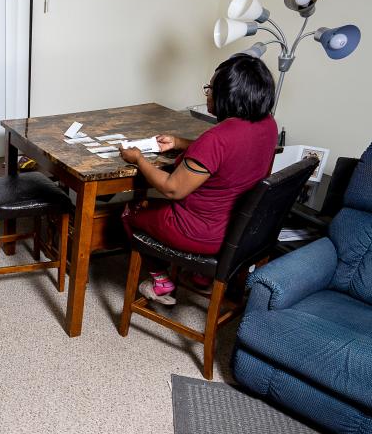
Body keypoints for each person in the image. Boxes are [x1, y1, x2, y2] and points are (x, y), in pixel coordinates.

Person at [117, 54, 278, 305]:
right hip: (240, 231)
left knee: (130, 211)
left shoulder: (217, 137)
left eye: (211, 88)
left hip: (201, 234)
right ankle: (201, 276)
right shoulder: (268, 125)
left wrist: (138, 159)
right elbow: (228, 156)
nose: (208, 94)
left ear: (229, 94)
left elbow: (172, 190)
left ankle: (161, 281)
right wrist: (180, 142)